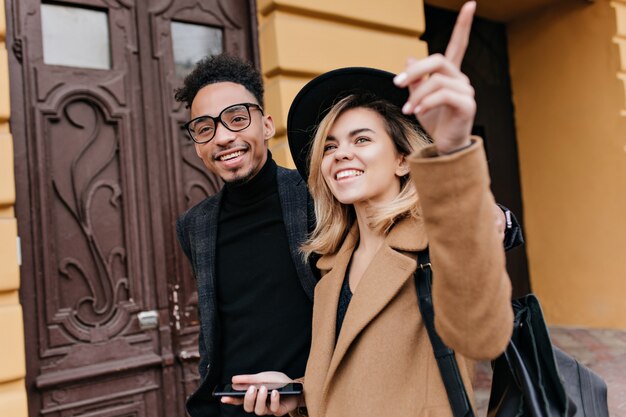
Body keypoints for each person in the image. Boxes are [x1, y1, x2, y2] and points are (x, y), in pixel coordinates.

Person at [223, 2, 515, 416]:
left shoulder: (437, 242)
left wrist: (451, 150)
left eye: (361, 140)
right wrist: (298, 391)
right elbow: (358, 381)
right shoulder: (330, 265)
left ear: (402, 160)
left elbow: (482, 337)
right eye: (330, 146)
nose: (340, 154)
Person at [174, 54, 318, 417]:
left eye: (237, 118)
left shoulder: (317, 196)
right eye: (205, 128)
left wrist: (303, 391)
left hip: (307, 403)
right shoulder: (195, 225)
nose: (223, 137)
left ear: (267, 125)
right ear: (197, 144)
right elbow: (214, 327)